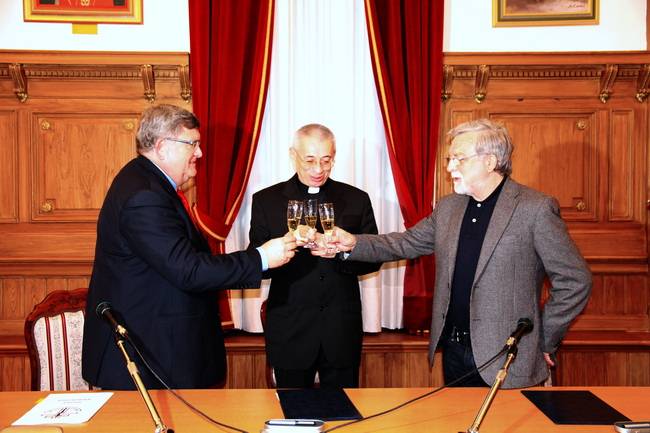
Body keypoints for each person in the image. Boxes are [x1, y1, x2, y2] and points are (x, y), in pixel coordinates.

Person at [318, 119, 592, 388]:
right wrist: (353, 243)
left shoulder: (535, 209)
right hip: (454, 352)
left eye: (459, 159)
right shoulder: (449, 207)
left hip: (509, 357)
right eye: (450, 159)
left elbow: (575, 280)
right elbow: (405, 242)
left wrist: (545, 337)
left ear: (490, 162)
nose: (450, 167)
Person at [82, 104, 297, 390]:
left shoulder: (149, 184)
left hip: (162, 350)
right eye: (192, 144)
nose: (200, 153)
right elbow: (188, 270)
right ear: (162, 147)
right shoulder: (144, 196)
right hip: (151, 354)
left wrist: (266, 259)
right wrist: (261, 258)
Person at [249, 124, 381, 388]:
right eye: (309, 160)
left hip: (340, 329)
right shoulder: (266, 200)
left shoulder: (356, 199)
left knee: (343, 409)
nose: (318, 169)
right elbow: (257, 265)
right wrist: (284, 248)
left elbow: (374, 259)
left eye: (326, 160)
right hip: (290, 328)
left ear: (334, 157)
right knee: (291, 408)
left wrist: (343, 254)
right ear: (293, 155)